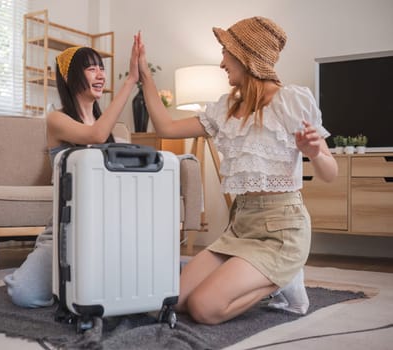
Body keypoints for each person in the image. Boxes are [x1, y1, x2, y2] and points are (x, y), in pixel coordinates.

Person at [135, 17, 338, 325]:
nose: (221, 63)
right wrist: (144, 76)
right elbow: (165, 126)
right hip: (240, 225)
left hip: (281, 231)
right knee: (174, 300)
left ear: (246, 56)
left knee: (204, 308)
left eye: (225, 53)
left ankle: (281, 281)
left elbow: (330, 172)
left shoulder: (291, 102)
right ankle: (261, 276)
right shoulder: (225, 109)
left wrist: (314, 154)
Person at [4, 40, 140, 308]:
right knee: (24, 293)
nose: (101, 75)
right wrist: (131, 80)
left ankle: (81, 280)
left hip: (107, 228)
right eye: (91, 69)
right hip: (66, 228)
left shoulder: (115, 132)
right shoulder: (57, 119)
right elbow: (95, 135)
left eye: (101, 68)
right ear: (71, 77)